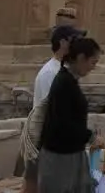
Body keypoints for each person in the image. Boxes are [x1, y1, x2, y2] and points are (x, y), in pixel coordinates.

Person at [38, 37, 105, 193]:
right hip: (60, 157)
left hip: (71, 153)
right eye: (93, 63)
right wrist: (91, 137)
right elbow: (63, 122)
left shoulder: (69, 81)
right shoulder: (64, 83)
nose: (93, 68)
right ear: (81, 58)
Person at [22, 25, 84, 193]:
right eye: (75, 40)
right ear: (63, 42)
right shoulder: (51, 73)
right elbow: (54, 112)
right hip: (48, 143)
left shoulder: (62, 71)